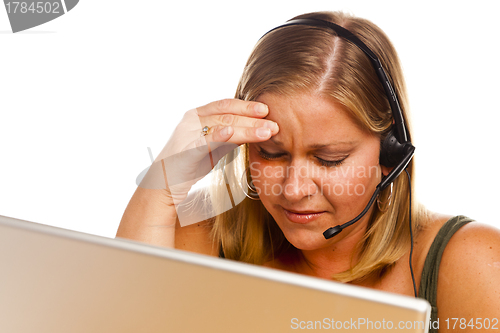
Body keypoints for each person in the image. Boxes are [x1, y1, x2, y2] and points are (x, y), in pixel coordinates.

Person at [117, 11, 500, 332]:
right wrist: (160, 189)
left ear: (391, 153)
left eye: (329, 158)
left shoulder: (472, 262)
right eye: (271, 153)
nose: (294, 189)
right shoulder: (197, 237)